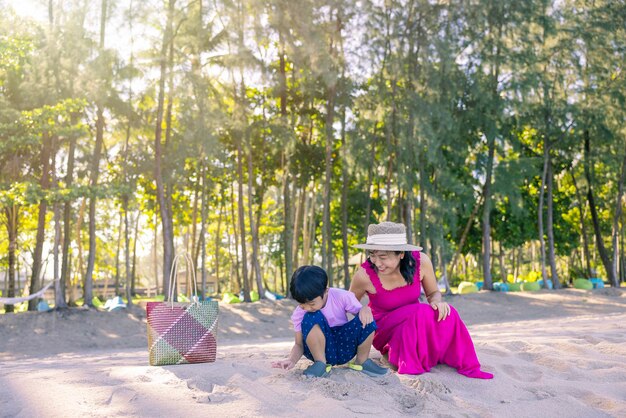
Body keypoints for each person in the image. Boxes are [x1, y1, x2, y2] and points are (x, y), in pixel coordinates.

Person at [349, 221, 493, 379]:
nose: (377, 262)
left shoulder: (421, 262)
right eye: (372, 255)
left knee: (448, 313)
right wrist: (362, 309)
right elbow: (348, 304)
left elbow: (433, 292)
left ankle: (453, 361)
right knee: (421, 310)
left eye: (383, 257)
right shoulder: (363, 275)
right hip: (385, 327)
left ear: (401, 254)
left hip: (415, 322)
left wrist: (437, 302)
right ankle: (396, 352)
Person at [271, 265, 388, 378]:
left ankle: (362, 362)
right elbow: (299, 344)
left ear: (325, 291)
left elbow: (361, 317)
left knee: (367, 318)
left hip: (344, 346)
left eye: (311, 303)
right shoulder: (300, 313)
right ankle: (320, 364)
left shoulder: (342, 296)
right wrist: (291, 360)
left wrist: (365, 309)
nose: (306, 308)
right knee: (311, 315)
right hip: (321, 351)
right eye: (302, 305)